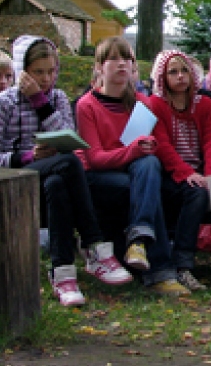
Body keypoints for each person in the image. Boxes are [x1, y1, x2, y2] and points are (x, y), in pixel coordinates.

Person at [0, 36, 132, 306]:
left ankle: (63, 274)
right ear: (23, 71)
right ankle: (94, 245)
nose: (46, 79)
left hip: (49, 182)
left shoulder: (57, 99)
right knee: (70, 164)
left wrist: (41, 102)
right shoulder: (3, 103)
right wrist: (27, 156)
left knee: (58, 185)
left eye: (51, 71)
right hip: (13, 181)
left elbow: (67, 138)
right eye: (38, 72)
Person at [76, 36, 189, 296]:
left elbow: (151, 150)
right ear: (99, 67)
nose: (121, 64)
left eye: (127, 58)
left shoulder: (142, 102)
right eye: (113, 58)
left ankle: (138, 242)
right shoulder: (87, 105)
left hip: (135, 172)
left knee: (148, 164)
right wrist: (132, 150)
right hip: (99, 177)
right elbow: (95, 159)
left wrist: (146, 148)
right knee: (144, 182)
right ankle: (159, 270)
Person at [147, 49, 211, 291]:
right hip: (171, 175)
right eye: (173, 72)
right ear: (162, 77)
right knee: (197, 194)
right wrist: (187, 174)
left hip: (202, 172)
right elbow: (161, 145)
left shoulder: (203, 103)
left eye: (184, 70)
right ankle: (183, 265)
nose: (180, 76)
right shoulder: (155, 105)